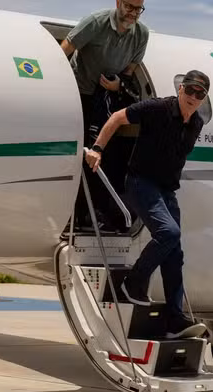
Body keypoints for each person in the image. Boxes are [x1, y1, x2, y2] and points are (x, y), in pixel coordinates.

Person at [85, 71, 210, 339]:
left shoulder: (196, 123)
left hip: (167, 190)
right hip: (141, 183)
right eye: (190, 90)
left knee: (175, 255)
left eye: (200, 94)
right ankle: (133, 283)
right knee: (169, 233)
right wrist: (97, 148)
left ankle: (175, 320)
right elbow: (117, 117)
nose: (193, 96)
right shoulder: (157, 108)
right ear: (180, 89)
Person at [61, 0, 149, 231]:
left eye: (138, 9)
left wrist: (118, 86)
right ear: (118, 3)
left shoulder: (141, 34)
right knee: (78, 153)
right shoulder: (96, 22)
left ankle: (91, 214)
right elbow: (64, 51)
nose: (133, 13)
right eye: (129, 6)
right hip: (79, 93)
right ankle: (71, 213)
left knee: (101, 155)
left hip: (106, 98)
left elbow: (129, 72)